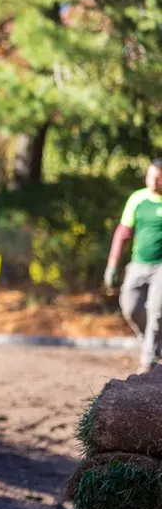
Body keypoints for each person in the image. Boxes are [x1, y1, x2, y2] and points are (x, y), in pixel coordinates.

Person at [104, 158, 162, 374]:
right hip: (139, 263)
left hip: (161, 267)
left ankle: (148, 361)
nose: (152, 182)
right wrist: (112, 264)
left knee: (157, 310)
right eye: (150, 177)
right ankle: (154, 343)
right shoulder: (137, 199)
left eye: (157, 178)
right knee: (129, 305)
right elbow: (123, 233)